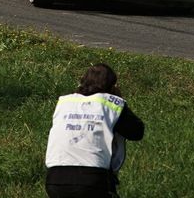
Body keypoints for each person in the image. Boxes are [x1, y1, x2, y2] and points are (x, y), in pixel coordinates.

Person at [45, 63, 144, 198]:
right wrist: (119, 99)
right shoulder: (111, 103)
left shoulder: (64, 102)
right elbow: (137, 132)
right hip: (91, 179)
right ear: (111, 86)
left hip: (55, 179)